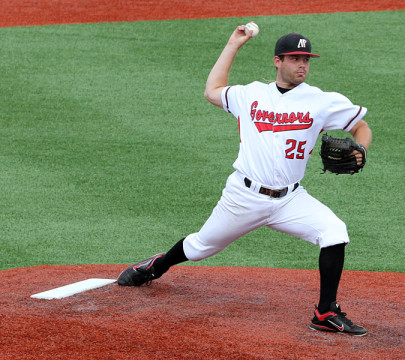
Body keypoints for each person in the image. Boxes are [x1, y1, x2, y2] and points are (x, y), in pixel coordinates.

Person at [118, 23, 372, 336]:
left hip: (291, 199)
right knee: (201, 246)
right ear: (278, 61)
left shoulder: (321, 101)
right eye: (294, 58)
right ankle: (155, 266)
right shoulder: (250, 94)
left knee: (334, 231)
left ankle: (324, 313)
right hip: (244, 196)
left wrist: (361, 148)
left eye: (306, 59)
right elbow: (212, 91)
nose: (302, 64)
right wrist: (233, 44)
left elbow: (361, 126)